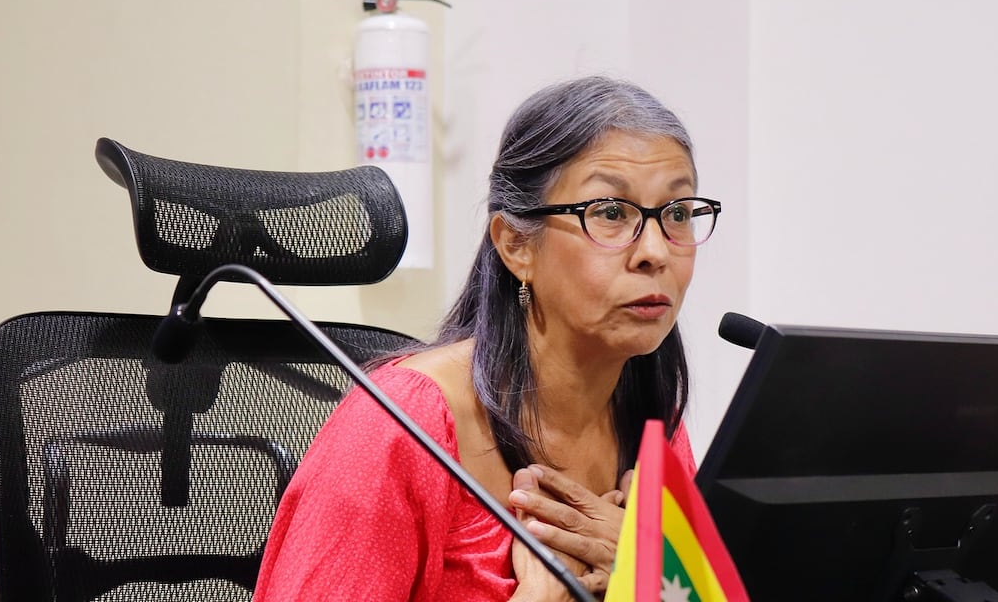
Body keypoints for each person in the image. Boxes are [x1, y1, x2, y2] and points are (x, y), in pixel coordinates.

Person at [253, 76, 722, 601]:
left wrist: (652, 576)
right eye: (611, 213)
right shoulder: (402, 425)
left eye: (678, 213)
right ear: (517, 245)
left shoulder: (652, 416)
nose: (655, 251)